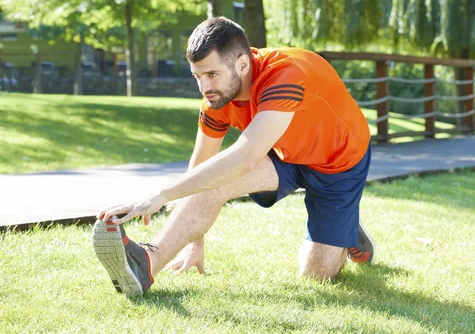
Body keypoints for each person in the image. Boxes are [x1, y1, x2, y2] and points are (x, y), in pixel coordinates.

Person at [92, 16, 375, 296]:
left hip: (338, 163)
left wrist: (163, 194)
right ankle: (147, 263)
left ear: (242, 64)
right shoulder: (216, 98)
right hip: (281, 151)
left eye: (212, 74)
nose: (204, 87)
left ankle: (347, 231)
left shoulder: (286, 74)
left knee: (316, 275)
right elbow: (200, 167)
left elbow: (246, 156)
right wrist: (194, 240)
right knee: (215, 177)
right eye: (197, 76)